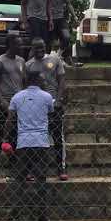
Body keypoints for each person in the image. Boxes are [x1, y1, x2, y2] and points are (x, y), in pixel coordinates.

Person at [2, 70, 54, 221]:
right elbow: (50, 116)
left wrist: (5, 140)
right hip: (41, 143)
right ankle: (42, 216)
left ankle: (14, 216)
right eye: (43, 79)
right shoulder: (47, 97)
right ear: (37, 80)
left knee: (19, 181)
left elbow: (10, 121)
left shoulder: (17, 97)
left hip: (24, 144)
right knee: (41, 180)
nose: (45, 82)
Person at [26, 38, 68, 181]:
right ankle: (32, 169)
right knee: (36, 138)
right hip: (37, 107)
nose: (40, 51)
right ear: (32, 49)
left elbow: (61, 79)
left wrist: (59, 99)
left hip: (54, 104)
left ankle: (61, 167)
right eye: (37, 48)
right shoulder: (29, 65)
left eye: (42, 48)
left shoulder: (55, 59)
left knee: (57, 137)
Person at [0, 34, 26, 179]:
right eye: (18, 44)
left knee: (16, 139)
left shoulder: (21, 61)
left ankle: (14, 170)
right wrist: (2, 101)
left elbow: (23, 82)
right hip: (5, 104)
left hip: (19, 105)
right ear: (11, 44)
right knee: (1, 137)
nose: (21, 46)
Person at [46, 0, 84, 67]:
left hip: (60, 18)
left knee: (66, 38)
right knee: (51, 43)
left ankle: (58, 58)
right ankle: (57, 62)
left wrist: (75, 16)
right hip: (48, 18)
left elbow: (68, 3)